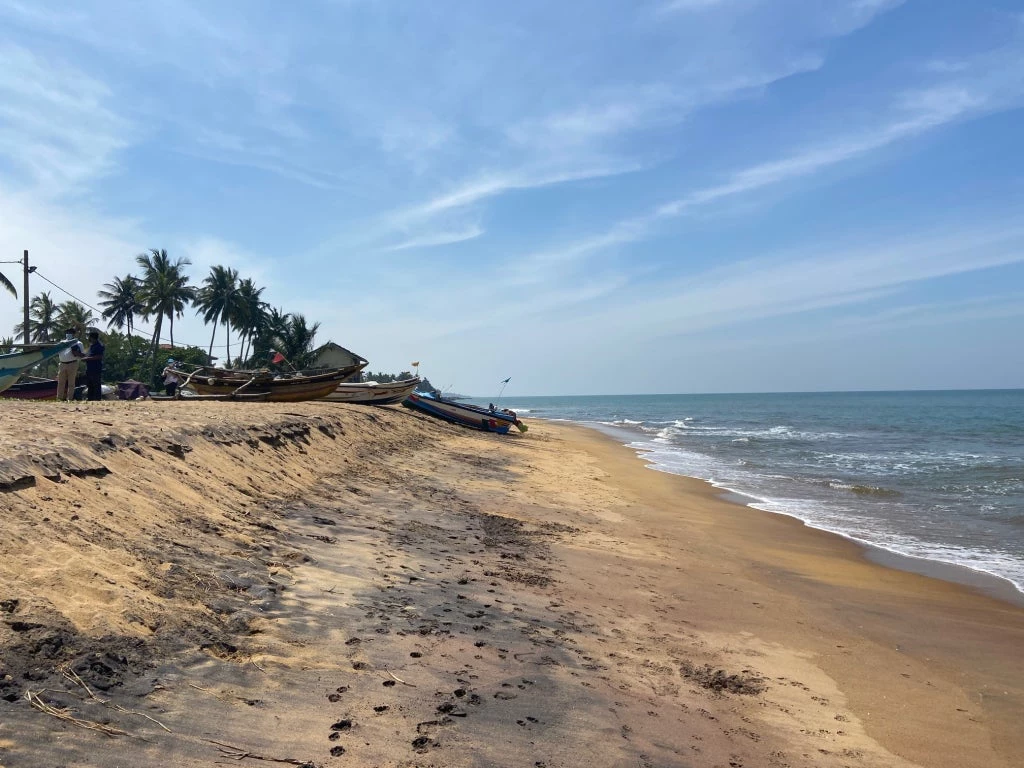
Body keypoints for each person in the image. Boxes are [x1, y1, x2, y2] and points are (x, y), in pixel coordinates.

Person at [56, 328, 85, 401]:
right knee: (60, 383)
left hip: (72, 363)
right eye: (67, 332)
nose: (68, 334)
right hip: (62, 364)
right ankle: (59, 398)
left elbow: (82, 355)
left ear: (73, 334)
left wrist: (75, 352)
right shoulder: (62, 343)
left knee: (71, 383)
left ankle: (70, 399)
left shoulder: (78, 343)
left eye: (70, 333)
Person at [83, 330, 105, 401]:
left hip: (96, 368)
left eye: (90, 337)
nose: (89, 339)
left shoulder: (99, 345)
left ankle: (97, 400)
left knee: (96, 385)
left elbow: (99, 356)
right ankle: (90, 399)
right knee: (90, 385)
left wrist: (87, 358)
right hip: (89, 368)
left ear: (92, 337)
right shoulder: (92, 346)